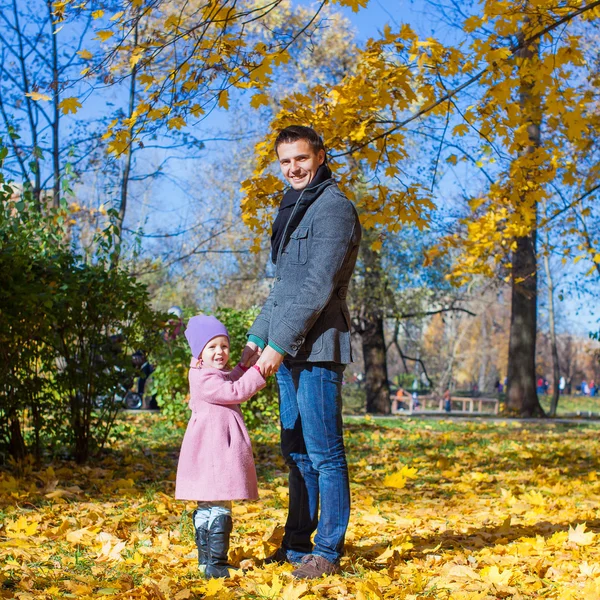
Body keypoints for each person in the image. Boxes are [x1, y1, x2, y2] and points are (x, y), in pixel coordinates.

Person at [241, 125, 361, 579]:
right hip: (288, 347)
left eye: (301, 159)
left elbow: (315, 289)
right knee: (298, 453)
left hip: (317, 348)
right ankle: (296, 547)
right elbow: (283, 290)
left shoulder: (333, 209)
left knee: (325, 453)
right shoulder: (293, 209)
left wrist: (277, 345)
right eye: (285, 161)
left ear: (321, 156)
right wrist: (257, 340)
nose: (293, 168)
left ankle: (327, 552)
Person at [175, 315, 266, 578]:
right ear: (199, 353)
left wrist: (242, 366)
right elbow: (234, 391)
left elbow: (228, 379)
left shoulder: (206, 372)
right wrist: (258, 373)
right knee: (219, 505)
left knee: (207, 506)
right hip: (214, 453)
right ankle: (216, 563)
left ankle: (206, 561)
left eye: (224, 346)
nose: (220, 352)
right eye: (212, 346)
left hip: (208, 451)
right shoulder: (204, 379)